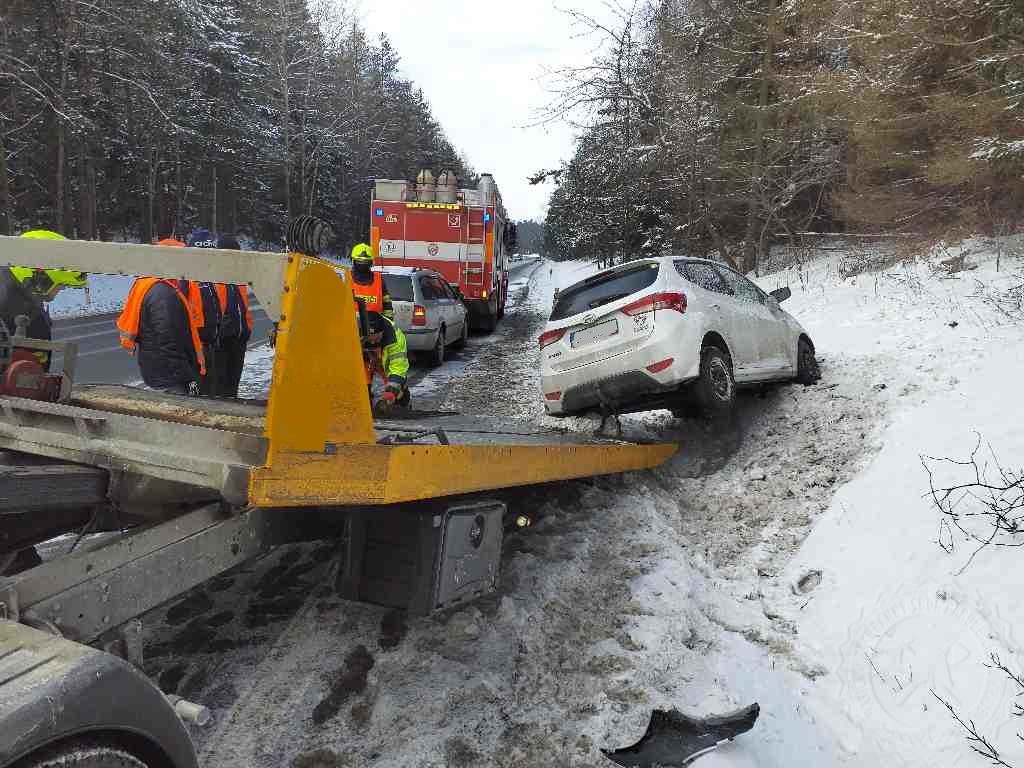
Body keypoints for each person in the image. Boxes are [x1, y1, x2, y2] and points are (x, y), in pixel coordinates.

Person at [117, 239, 206, 395]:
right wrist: (187, 377)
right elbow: (169, 342)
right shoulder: (163, 294)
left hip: (160, 371)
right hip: (170, 377)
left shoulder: (152, 284)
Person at [1, 230, 88, 370]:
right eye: (60, 285)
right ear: (40, 278)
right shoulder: (10, 305)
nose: (60, 290)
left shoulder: (26, 300)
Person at [213, 234, 253, 398]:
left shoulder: (239, 276)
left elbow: (242, 306)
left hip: (239, 337)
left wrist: (247, 328)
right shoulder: (212, 275)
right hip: (221, 340)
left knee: (232, 385)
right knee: (219, 385)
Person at [364, 310, 410, 414]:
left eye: (376, 339)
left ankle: (401, 404)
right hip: (366, 363)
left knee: (398, 392)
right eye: (369, 339)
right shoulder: (352, 331)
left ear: (383, 331)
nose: (372, 343)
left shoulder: (396, 337)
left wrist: (390, 393)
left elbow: (399, 368)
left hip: (386, 367)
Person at [350, 243, 393, 320]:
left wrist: (388, 322)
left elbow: (387, 304)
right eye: (359, 262)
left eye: (365, 262)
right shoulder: (346, 278)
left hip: (376, 328)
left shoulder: (378, 279)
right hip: (351, 327)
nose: (362, 265)